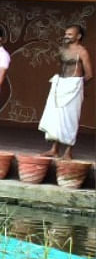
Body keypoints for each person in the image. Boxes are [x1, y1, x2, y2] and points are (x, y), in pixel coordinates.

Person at [40, 25, 92, 160]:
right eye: (66, 34)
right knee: (56, 117)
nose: (66, 36)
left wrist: (78, 86)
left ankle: (68, 151)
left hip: (73, 87)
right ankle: (54, 149)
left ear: (78, 36)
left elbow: (90, 74)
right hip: (60, 85)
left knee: (70, 119)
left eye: (70, 34)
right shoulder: (62, 50)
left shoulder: (82, 51)